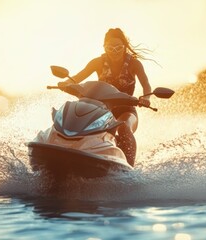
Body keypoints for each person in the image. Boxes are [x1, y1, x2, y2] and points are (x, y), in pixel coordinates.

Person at [58, 28, 152, 167]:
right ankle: (68, 151)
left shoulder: (134, 64)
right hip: (101, 110)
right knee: (78, 120)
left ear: (124, 47)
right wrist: (66, 83)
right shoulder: (97, 62)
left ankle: (130, 169)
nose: (114, 51)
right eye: (110, 47)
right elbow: (77, 78)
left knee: (124, 128)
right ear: (104, 47)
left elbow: (146, 85)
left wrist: (147, 98)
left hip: (126, 110)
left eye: (118, 47)